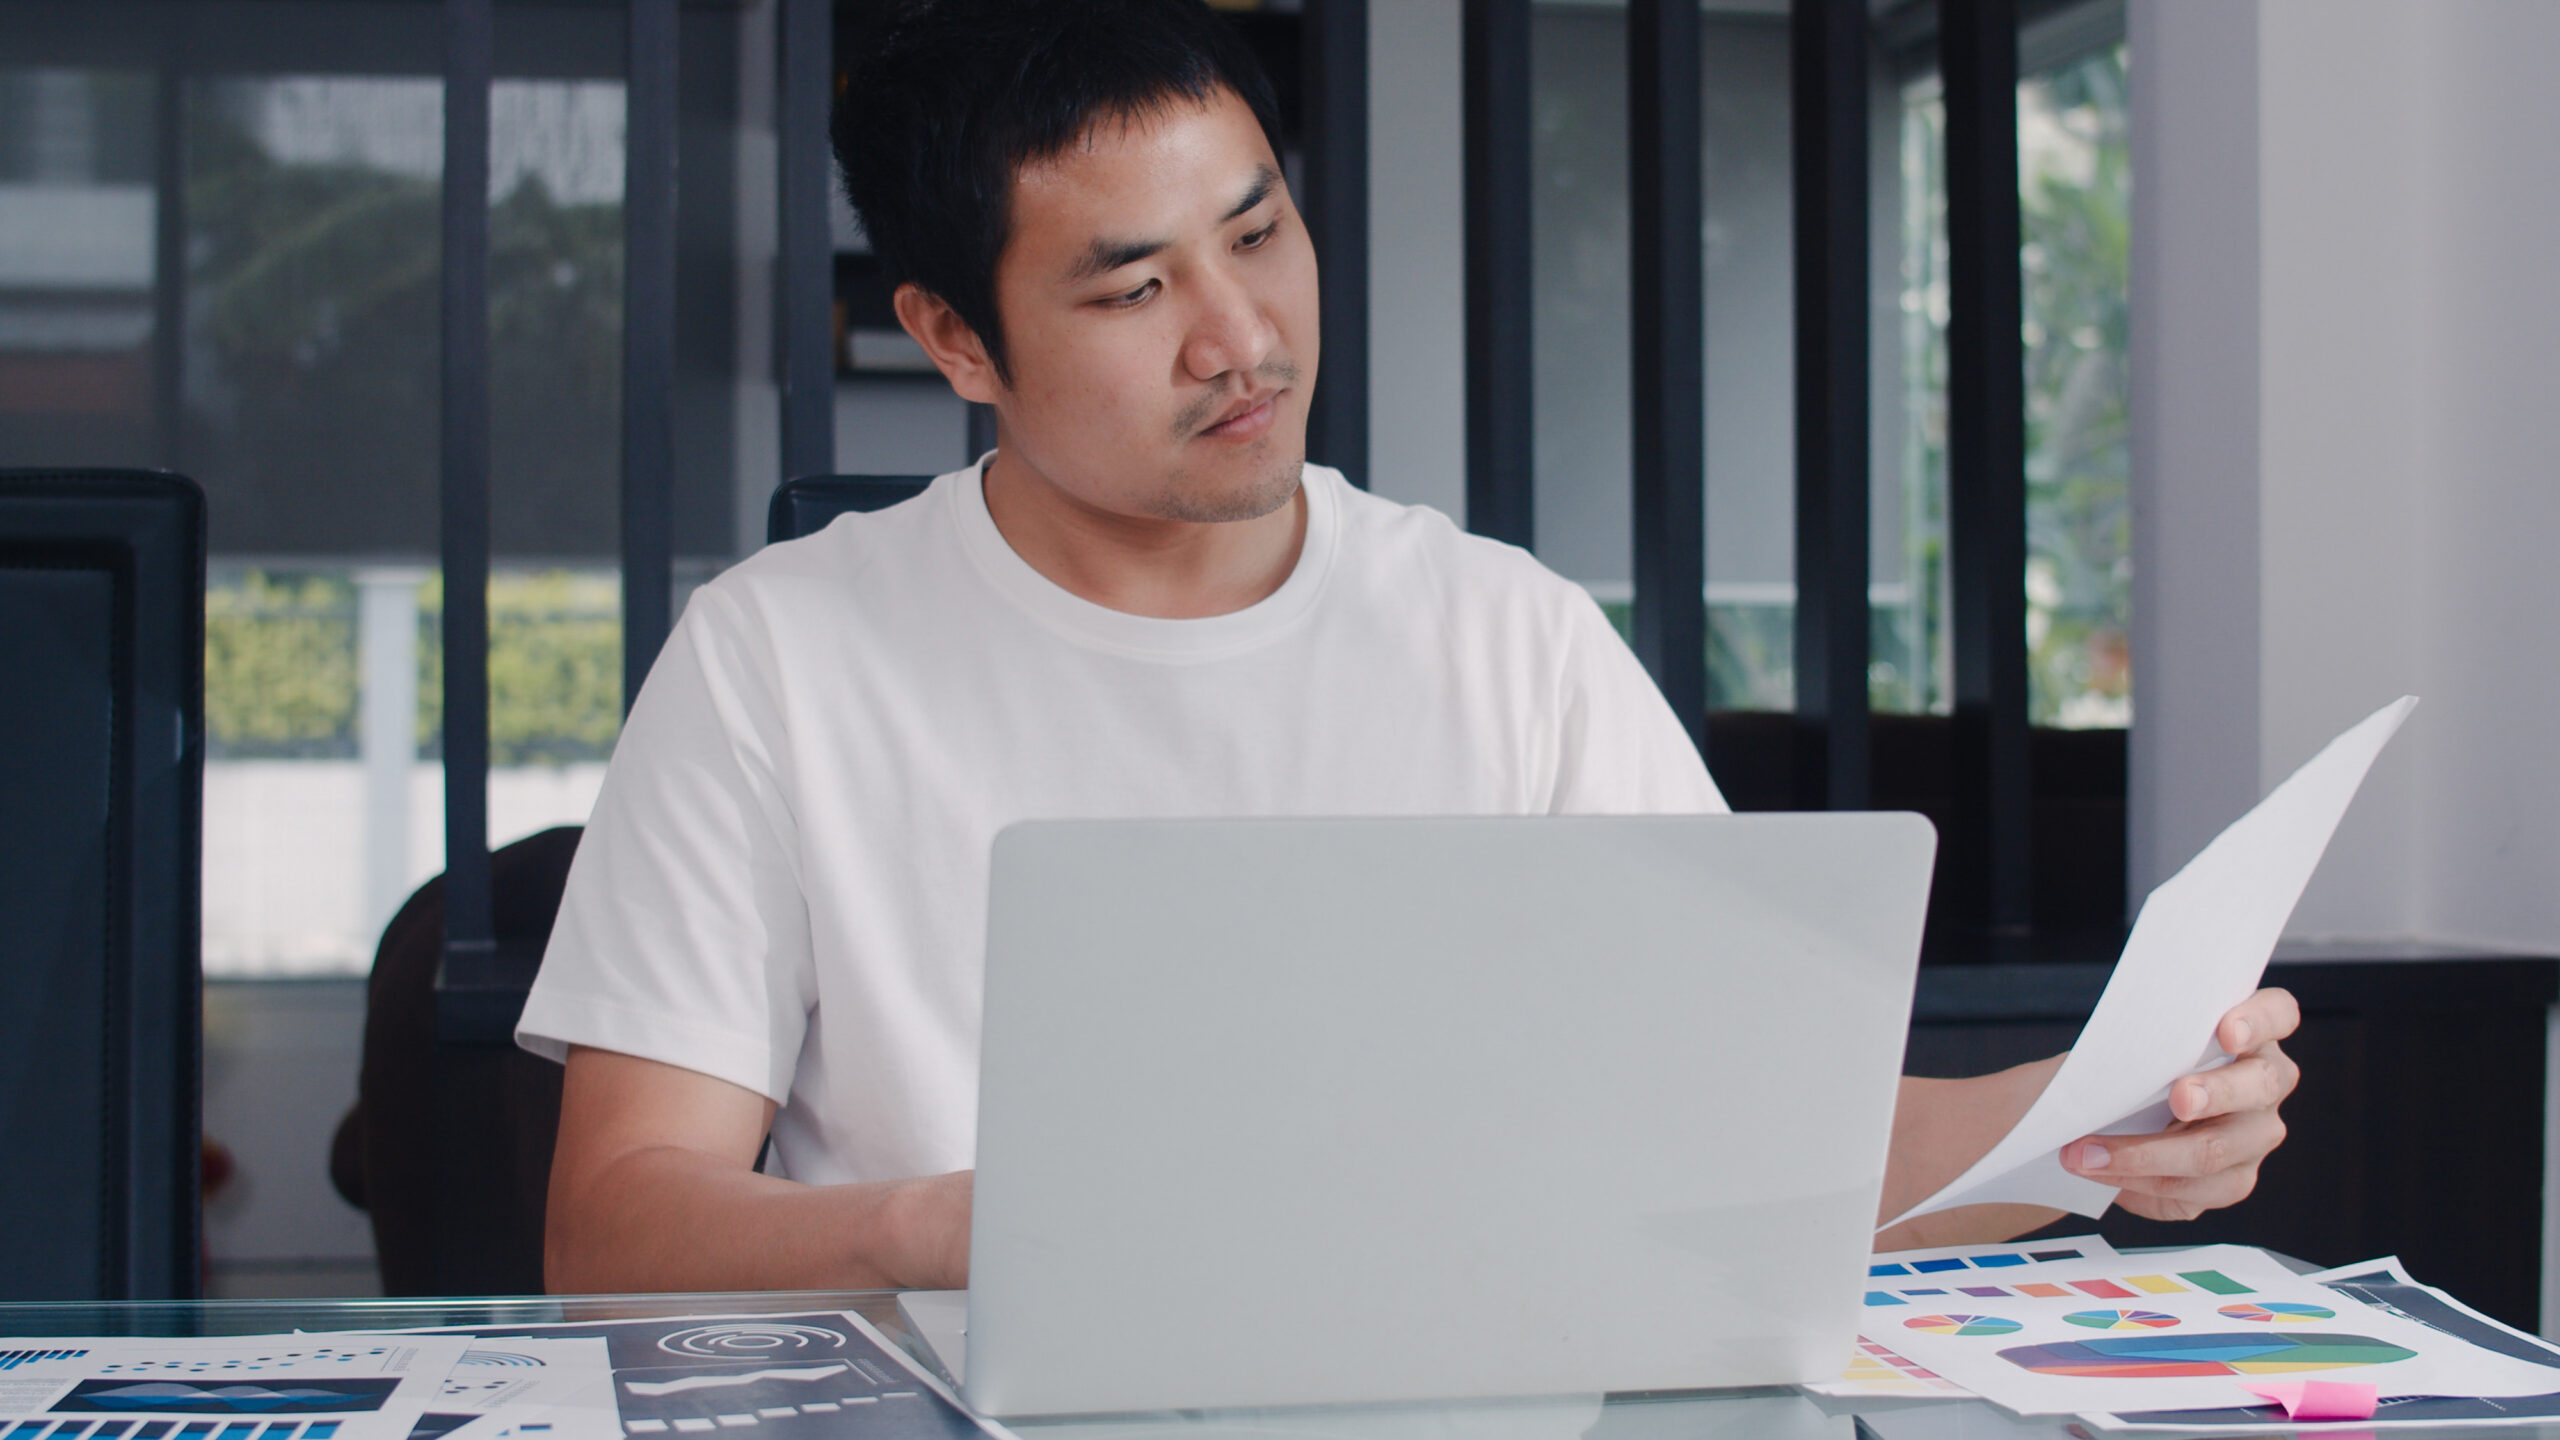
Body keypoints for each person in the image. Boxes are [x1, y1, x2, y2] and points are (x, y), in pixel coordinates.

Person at [522, 0, 2299, 1294]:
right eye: (1135, 289)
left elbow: (1761, 1139)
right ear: (955, 341)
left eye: (1259, 233)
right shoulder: (777, 659)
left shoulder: (1508, 639)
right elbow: (614, 1227)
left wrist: (2097, 1121)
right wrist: (962, 1230)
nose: (1241, 338)